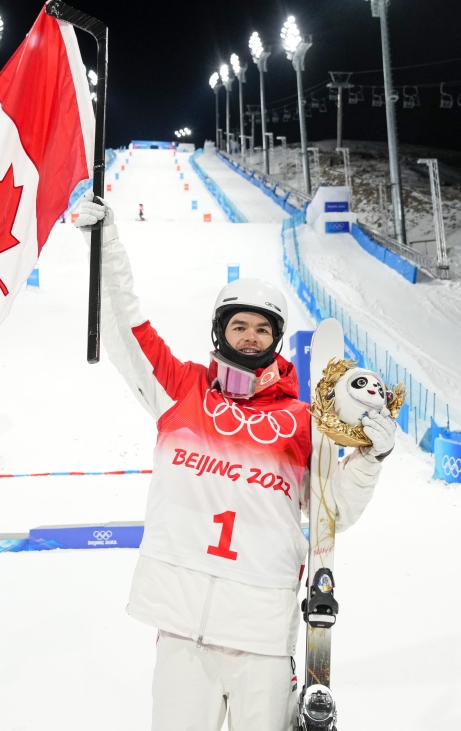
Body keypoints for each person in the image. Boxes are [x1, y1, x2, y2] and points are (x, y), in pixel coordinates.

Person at [75, 194, 395, 731]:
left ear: (275, 341)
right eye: (240, 326)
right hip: (182, 629)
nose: (251, 337)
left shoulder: (301, 420)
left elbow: (332, 512)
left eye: (263, 329)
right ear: (220, 331)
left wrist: (369, 458)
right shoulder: (181, 392)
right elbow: (127, 328)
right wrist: (105, 249)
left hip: (262, 637)